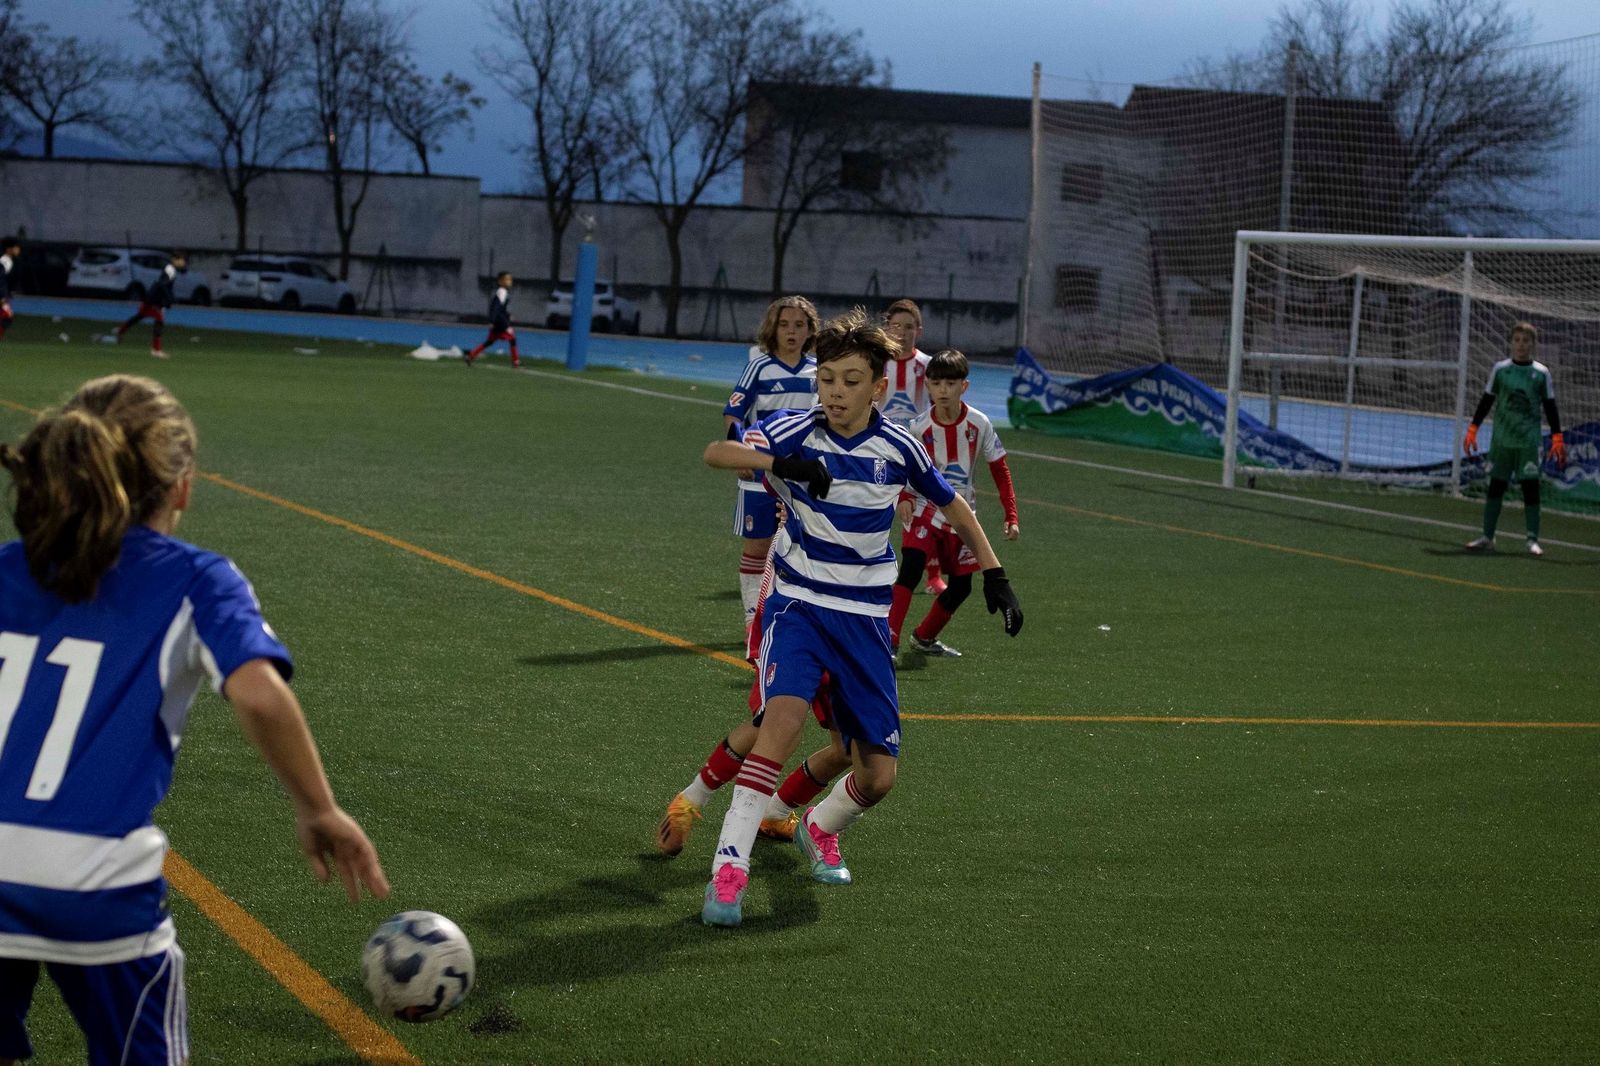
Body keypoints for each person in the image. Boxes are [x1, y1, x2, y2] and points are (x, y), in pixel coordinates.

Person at [0, 375, 389, 1065]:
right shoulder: (195, 579)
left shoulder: (7, 566)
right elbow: (261, 694)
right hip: (95, 879)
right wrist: (318, 809)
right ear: (181, 485)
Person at [697, 308, 1023, 928]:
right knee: (782, 722)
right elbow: (719, 451)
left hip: (865, 621)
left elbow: (954, 506)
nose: (836, 393)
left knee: (877, 775)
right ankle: (729, 866)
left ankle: (816, 827)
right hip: (798, 606)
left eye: (850, 381)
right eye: (827, 380)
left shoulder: (899, 447)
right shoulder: (793, 429)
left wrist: (994, 572)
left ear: (878, 387)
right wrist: (779, 465)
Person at [889, 349, 1020, 659]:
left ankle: (923, 638)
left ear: (964, 386)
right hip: (925, 507)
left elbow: (1000, 468)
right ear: (928, 386)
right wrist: (905, 497)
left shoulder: (980, 423)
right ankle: (888, 640)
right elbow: (906, 468)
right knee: (911, 567)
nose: (942, 390)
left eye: (950, 383)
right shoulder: (919, 427)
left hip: (961, 514)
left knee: (962, 586)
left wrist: (1011, 513)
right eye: (936, 384)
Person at [723, 296, 819, 629]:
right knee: (759, 543)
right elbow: (734, 413)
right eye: (784, 325)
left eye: (799, 325)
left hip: (801, 476)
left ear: (810, 330)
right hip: (760, 472)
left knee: (803, 545)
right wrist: (740, 451)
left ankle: (791, 616)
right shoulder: (759, 367)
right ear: (772, 329)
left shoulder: (818, 371)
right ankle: (753, 617)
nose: (791, 331)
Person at [1462, 322, 1565, 556]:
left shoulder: (1541, 373)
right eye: (1517, 340)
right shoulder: (1500, 369)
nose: (1521, 345)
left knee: (1530, 488)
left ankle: (1532, 540)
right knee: (1495, 487)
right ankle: (1487, 537)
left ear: (1533, 345)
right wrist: (1473, 429)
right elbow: (1487, 400)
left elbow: (1550, 406)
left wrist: (1557, 437)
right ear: (1511, 342)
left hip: (1528, 441)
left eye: (1526, 341)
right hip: (1502, 441)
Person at [881, 298, 945, 596]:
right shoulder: (876, 361)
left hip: (917, 451)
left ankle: (933, 574)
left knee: (924, 511)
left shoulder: (929, 366)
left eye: (909, 327)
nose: (902, 332)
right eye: (896, 326)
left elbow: (939, 408)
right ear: (887, 327)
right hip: (880, 449)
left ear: (918, 330)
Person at [112, 252, 186, 359]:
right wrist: (169, 299)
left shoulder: (170, 269)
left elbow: (164, 285)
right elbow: (162, 285)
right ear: (176, 260)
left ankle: (120, 331)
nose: (183, 263)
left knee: (140, 316)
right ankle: (156, 350)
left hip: (152, 297)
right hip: (155, 300)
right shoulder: (170, 270)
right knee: (159, 320)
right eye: (182, 260)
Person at [465, 272, 520, 368]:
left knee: (489, 342)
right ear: (500, 281)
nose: (510, 281)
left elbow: (500, 309)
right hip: (500, 323)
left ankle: (471, 356)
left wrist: (507, 315)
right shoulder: (502, 292)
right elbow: (496, 308)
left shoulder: (502, 292)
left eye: (510, 279)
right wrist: (495, 321)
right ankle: (516, 362)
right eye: (507, 279)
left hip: (498, 322)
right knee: (512, 339)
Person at [0, 236, 21, 344]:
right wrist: (3, 296)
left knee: (6, 317)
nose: (18, 250)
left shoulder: (7, 261)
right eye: (16, 247)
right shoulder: (5, 261)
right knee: (7, 316)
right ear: (9, 249)